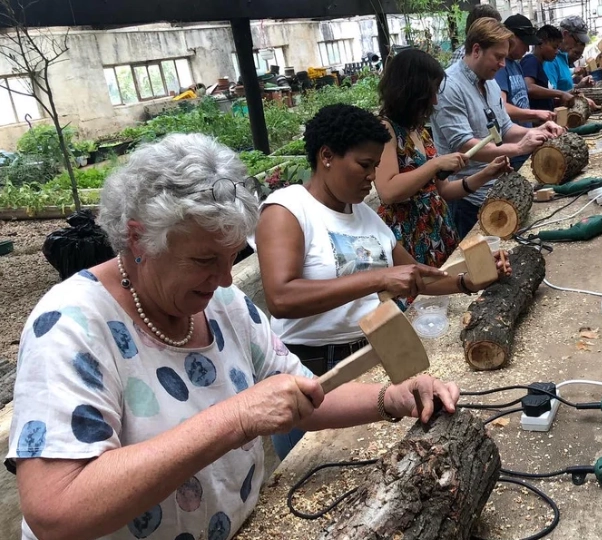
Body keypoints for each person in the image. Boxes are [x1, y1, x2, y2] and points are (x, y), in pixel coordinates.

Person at [4, 132, 462, 540]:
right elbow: (56, 510)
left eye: (231, 257)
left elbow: (306, 392)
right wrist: (237, 418)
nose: (225, 279)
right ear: (138, 239)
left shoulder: (221, 305)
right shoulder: (71, 326)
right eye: (205, 260)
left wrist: (392, 398)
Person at [255, 104, 511, 460]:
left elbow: (416, 277)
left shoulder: (365, 217)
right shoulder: (287, 209)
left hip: (372, 356)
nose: (372, 176)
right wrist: (377, 277)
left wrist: (470, 280)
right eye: (364, 164)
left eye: (376, 165)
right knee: (312, 473)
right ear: (326, 156)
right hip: (311, 369)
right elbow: (281, 297)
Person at [375, 48, 511, 272]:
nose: (436, 100)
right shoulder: (386, 130)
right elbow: (388, 191)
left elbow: (444, 190)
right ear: (412, 91)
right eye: (431, 92)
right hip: (410, 236)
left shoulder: (419, 131)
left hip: (436, 227)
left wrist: (486, 174)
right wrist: (435, 164)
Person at [431, 17, 566, 238]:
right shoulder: (449, 87)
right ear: (476, 50)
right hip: (467, 198)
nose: (503, 64)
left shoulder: (491, 83)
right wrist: (519, 148)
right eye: (498, 57)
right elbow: (465, 147)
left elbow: (505, 129)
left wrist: (537, 131)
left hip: (498, 190)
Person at [495, 14, 556, 170]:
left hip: (526, 139)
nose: (527, 49)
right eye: (524, 43)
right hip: (514, 147)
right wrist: (534, 114)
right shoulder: (500, 68)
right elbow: (501, 108)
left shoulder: (516, 65)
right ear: (511, 37)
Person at [521, 25, 576, 111]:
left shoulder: (540, 65)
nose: (557, 51)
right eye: (554, 47)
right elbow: (529, 87)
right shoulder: (531, 61)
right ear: (541, 43)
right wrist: (560, 94)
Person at [544, 16, 595, 92]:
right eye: (577, 40)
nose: (577, 45)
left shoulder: (563, 58)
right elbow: (552, 97)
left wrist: (579, 86)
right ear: (565, 34)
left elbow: (565, 89)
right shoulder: (551, 59)